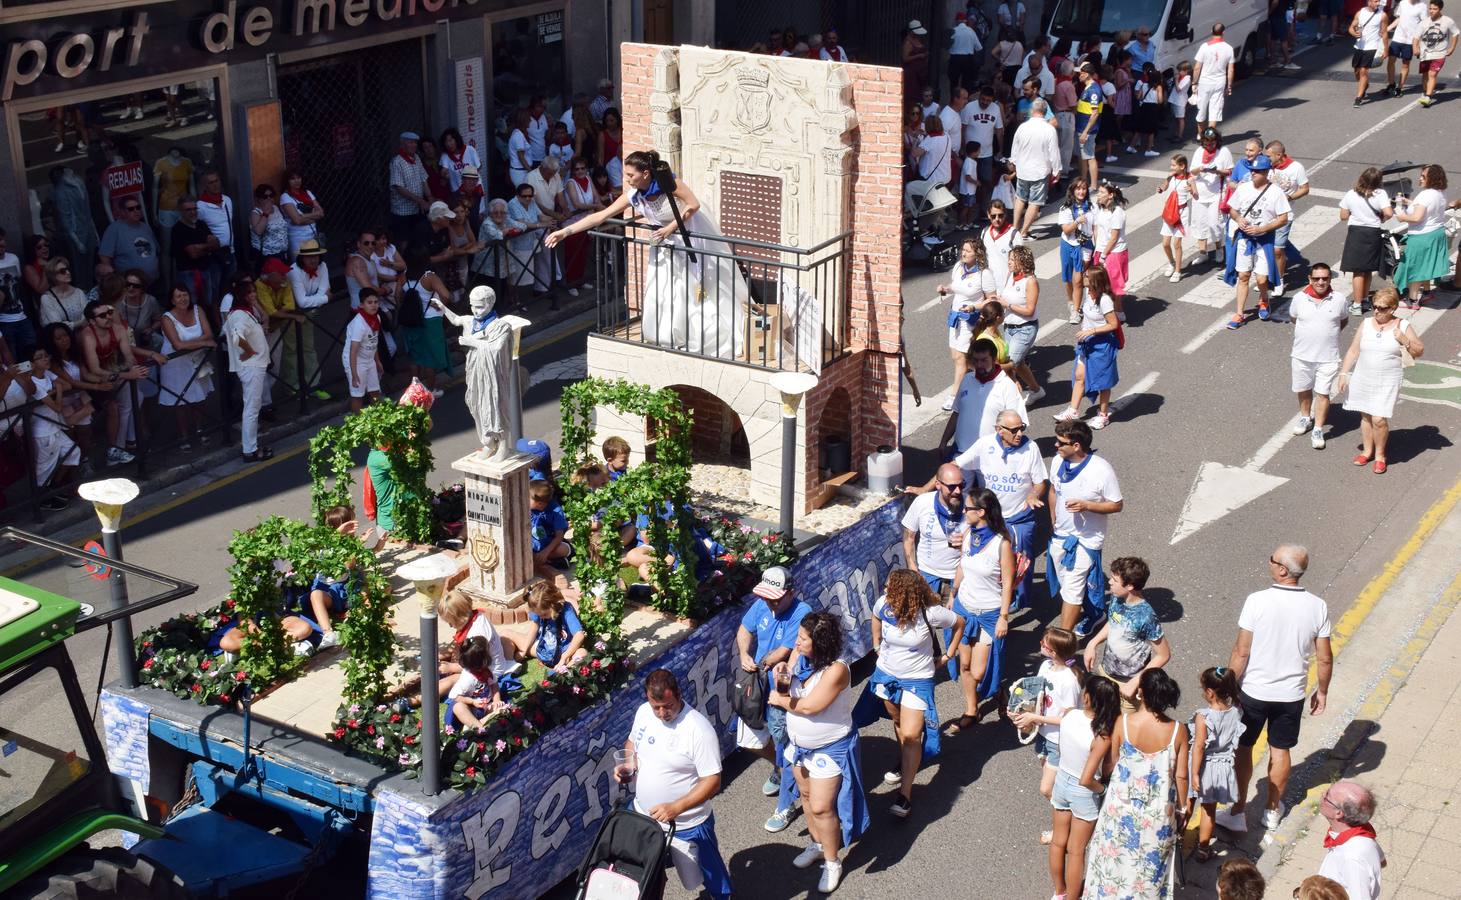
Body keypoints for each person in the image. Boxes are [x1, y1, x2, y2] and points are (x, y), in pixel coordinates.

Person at [545, 149, 747, 361]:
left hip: (689, 234)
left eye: (631, 175)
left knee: (695, 287)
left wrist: (670, 228)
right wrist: (565, 232)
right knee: (668, 288)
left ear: (646, 173)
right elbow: (601, 215)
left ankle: (703, 335)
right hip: (665, 243)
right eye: (626, 174)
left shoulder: (670, 183)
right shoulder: (634, 195)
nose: (627, 179)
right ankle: (674, 334)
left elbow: (693, 205)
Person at [1221, 544, 1333, 833]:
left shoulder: (1257, 601)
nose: (1269, 562)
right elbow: (1324, 657)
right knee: (1280, 750)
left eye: (1272, 559)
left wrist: (1228, 687)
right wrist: (1321, 691)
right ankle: (1272, 811)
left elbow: (1241, 652)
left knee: (1244, 749)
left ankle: (1237, 810)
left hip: (1254, 692)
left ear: (1282, 570)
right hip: (1291, 695)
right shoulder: (1317, 606)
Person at [768, 611, 868, 894]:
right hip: (799, 747)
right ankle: (817, 844)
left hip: (829, 748)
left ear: (821, 643)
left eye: (802, 638)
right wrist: (781, 676)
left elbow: (812, 706)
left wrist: (779, 700)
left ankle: (832, 862)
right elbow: (788, 686)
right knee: (808, 798)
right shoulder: (800, 657)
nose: (796, 643)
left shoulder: (837, 670)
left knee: (823, 807)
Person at [618, 669, 733, 900]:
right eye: (656, 707)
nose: (662, 713)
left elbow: (713, 782)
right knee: (642, 874)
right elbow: (632, 742)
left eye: (667, 706)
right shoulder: (643, 713)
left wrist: (676, 808)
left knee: (709, 874)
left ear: (679, 694)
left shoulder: (698, 730)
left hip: (687, 823)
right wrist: (628, 764)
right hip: (644, 815)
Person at [854, 569, 959, 818]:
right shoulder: (884, 604)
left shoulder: (930, 612)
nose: (886, 593)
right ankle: (905, 762)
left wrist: (947, 655)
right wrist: (877, 643)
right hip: (886, 676)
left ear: (905, 593)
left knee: (912, 734)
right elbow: (875, 616)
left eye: (891, 589)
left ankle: (905, 795)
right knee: (899, 722)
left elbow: (958, 624)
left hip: (917, 680)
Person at [1085, 668, 1190, 898]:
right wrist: (1183, 808)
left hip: (1120, 807)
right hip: (1158, 813)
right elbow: (1181, 776)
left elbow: (1111, 764)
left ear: (1140, 693)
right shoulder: (1178, 731)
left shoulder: (1123, 723)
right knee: (1150, 872)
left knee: (1112, 862)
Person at [735, 565, 812, 833]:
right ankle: (779, 770)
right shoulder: (762, 604)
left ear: (790, 593)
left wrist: (763, 662)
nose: (769, 602)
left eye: (775, 598)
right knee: (750, 741)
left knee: (786, 747)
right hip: (758, 687)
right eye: (766, 596)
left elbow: (785, 652)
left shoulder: (802, 613)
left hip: (782, 691)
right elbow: (744, 630)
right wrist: (745, 654)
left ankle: (787, 803)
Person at [951, 408, 1045, 608]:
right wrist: (928, 488)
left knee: (1022, 563)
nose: (1019, 433)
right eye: (1014, 430)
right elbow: (954, 466)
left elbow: (1040, 483)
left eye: (1022, 428)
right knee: (991, 560)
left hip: (1020, 518)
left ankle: (1020, 600)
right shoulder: (984, 445)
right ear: (999, 430)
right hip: (994, 518)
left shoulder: (1031, 448)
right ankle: (996, 597)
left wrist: (1033, 494)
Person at [1046, 674, 1120, 900]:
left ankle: (1059, 892)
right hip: (1083, 792)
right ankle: (1072, 898)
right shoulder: (1102, 734)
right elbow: (1088, 778)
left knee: (1058, 843)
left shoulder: (1069, 715)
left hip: (1062, 781)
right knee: (1076, 850)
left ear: (1086, 697)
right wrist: (1103, 790)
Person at [1046, 418, 1122, 637]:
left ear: (1076, 445)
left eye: (1061, 442)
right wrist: (1053, 521)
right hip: (1061, 536)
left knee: (1072, 589)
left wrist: (1087, 506)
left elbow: (1117, 504)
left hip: (1086, 539)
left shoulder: (1101, 470)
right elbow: (1053, 490)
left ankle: (1061, 640)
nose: (1056, 446)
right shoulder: (1058, 462)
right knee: (1068, 586)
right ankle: (1095, 613)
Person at [947, 487, 1015, 731]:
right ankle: (971, 710)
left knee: (978, 672)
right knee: (964, 665)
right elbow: (962, 567)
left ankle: (998, 691)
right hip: (965, 609)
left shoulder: (1001, 544)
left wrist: (1004, 618)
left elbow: (1007, 582)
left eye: (968, 508)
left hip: (988, 614)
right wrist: (952, 595)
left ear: (982, 512)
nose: (963, 511)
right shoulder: (967, 534)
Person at [1338, 287, 1424, 473]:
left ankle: (1380, 455)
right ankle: (1367, 451)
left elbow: (1419, 351)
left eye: (1382, 308)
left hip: (1387, 379)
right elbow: (1354, 350)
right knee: (1366, 415)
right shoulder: (1367, 323)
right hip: (1363, 376)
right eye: (1375, 306)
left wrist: (1405, 341)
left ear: (1393, 308)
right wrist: (1343, 373)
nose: (1377, 311)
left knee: (1378, 419)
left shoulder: (1402, 326)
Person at [1083, 556, 1170, 712]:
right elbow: (1113, 622)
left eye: (1114, 580)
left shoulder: (1146, 616)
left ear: (1130, 586)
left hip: (1129, 683)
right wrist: (1093, 643)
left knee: (1124, 731)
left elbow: (1163, 655)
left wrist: (1136, 681)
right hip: (1106, 672)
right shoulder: (1117, 598)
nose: (1109, 582)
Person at [1010, 625, 1082, 812]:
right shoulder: (1045, 666)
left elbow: (1070, 719)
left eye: (1044, 643)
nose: (1040, 644)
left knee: (1047, 789)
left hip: (1059, 741)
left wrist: (1034, 717)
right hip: (1043, 735)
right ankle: (1062, 824)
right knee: (1055, 788)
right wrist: (1019, 710)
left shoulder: (1069, 681)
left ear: (1054, 651)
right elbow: (1037, 696)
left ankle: (1069, 821)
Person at [79, 298, 151, 465]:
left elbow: (129, 357)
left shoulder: (118, 329)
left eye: (109, 312)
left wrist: (134, 370)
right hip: (90, 381)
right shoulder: (88, 336)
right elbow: (94, 369)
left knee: (134, 399)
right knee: (118, 408)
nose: (108, 317)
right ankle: (118, 448)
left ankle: (121, 446)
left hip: (114, 373)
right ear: (92, 321)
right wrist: (127, 374)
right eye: (102, 315)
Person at [1225, 154, 1290, 329]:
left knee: (1261, 279)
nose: (1253, 173)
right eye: (1252, 170)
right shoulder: (1243, 188)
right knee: (1243, 276)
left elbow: (1283, 218)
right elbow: (1232, 210)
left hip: (1264, 240)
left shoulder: (1276, 192)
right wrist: (1239, 219)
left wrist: (1262, 229)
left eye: (1258, 171)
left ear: (1267, 172)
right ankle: (1239, 313)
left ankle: (1264, 299)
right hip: (1244, 239)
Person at [1290, 262, 1349, 451]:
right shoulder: (1299, 298)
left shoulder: (1339, 299)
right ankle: (1305, 417)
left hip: (1328, 357)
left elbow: (1343, 320)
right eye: (1316, 279)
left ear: (1330, 279)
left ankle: (1318, 428)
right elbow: (1294, 318)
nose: (1321, 282)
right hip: (1301, 355)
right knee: (1303, 388)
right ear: (1310, 279)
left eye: (1325, 278)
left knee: (1323, 393)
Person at [1053, 264, 1120, 429]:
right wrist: (1084, 332)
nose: (1083, 276)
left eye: (1086, 275)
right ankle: (1073, 410)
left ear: (1095, 281)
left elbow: (1113, 324)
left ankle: (1103, 416)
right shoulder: (1089, 294)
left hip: (1102, 346)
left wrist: (1092, 331)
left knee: (1103, 382)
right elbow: (1087, 318)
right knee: (1079, 376)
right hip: (1086, 343)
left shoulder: (1104, 300)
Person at [939, 338, 1028, 459]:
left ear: (994, 358)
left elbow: (1018, 426)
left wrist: (1007, 455)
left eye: (984, 360)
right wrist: (944, 442)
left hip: (991, 457)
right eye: (975, 360)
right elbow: (956, 413)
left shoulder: (1007, 386)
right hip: (960, 453)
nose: (979, 365)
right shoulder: (967, 380)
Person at [1190, 666, 1244, 863]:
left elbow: (1198, 747)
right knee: (1209, 810)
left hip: (1203, 765)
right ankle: (1204, 849)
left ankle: (1177, 837)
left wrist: (1194, 773)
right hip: (1221, 767)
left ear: (1210, 692)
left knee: (1188, 803)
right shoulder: (1236, 713)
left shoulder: (1203, 716)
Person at [157, 283, 214, 450]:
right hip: (176, 364)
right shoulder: (167, 318)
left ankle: (199, 428)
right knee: (181, 401)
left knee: (200, 398)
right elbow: (177, 345)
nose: (183, 299)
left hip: (197, 359)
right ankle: (183, 435)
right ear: (172, 300)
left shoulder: (198, 309)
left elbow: (209, 333)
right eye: (178, 296)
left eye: (185, 295)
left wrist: (196, 343)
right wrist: (203, 342)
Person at [24, 346, 81, 509]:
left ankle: (54, 487)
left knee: (73, 452)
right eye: (40, 357)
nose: (45, 359)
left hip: (54, 426)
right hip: (43, 432)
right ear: (32, 363)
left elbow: (67, 385)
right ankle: (41, 500)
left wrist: (56, 389)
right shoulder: (33, 384)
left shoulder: (47, 374)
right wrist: (59, 391)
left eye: (45, 355)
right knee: (44, 468)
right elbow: (57, 406)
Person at [902, 461, 970, 596]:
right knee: (926, 615)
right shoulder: (922, 502)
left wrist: (967, 542)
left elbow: (984, 538)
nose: (957, 491)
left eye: (961, 485)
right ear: (938, 485)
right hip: (927, 575)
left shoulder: (970, 505)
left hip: (959, 575)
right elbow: (908, 537)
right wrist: (913, 569)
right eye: (952, 487)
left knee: (956, 617)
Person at [223, 278, 271, 461]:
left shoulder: (242, 313)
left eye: (253, 291)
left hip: (253, 365)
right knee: (252, 408)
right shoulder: (240, 315)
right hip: (251, 367)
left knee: (252, 407)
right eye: (249, 293)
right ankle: (249, 450)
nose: (253, 295)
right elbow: (237, 337)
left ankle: (250, 447)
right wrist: (249, 350)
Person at [1391, 164, 1450, 308]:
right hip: (1436, 234)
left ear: (1432, 178)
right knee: (1427, 265)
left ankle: (1412, 300)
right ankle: (1427, 292)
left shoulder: (1425, 195)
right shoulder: (1440, 193)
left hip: (1421, 237)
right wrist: (1410, 202)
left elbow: (1417, 217)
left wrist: (1401, 215)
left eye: (1423, 176)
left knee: (1415, 269)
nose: (1420, 178)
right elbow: (1428, 208)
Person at [1317, 780, 1385, 900]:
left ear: (1338, 813)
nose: (1322, 794)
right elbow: (1382, 861)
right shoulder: (1363, 833)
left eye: (1327, 796)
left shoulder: (1352, 858)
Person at [1339, 167, 1393, 315]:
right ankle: (1364, 299)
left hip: (1356, 233)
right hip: (1373, 232)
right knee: (1368, 269)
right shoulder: (1380, 193)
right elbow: (1389, 213)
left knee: (1358, 271)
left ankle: (1356, 305)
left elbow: (1343, 216)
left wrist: (1353, 212)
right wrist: (1381, 217)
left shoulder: (1351, 194)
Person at [399, 246, 453, 395]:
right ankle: (430, 391)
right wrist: (439, 306)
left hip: (410, 321)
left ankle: (415, 390)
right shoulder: (430, 277)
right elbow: (446, 296)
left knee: (414, 357)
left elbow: (397, 297)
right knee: (429, 358)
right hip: (430, 321)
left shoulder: (403, 276)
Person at [1009, 99, 1061, 242]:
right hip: (1040, 170)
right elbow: (1054, 152)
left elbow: (1015, 147)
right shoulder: (1049, 129)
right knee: (1035, 202)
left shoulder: (1022, 127)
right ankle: (1024, 232)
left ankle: (1015, 227)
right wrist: (1057, 170)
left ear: (1032, 111)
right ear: (1045, 112)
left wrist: (1013, 162)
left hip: (1023, 169)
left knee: (1020, 198)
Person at [1265, 141, 1310, 296]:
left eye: (1269, 156)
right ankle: (1266, 277)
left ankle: (1279, 281)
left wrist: (1289, 197)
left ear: (1279, 155)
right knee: (1266, 247)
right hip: (1266, 213)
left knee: (1278, 249)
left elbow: (1305, 189)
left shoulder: (1296, 168)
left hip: (1285, 214)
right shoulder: (1267, 166)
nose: (1267, 159)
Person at [1190, 128, 1233, 266]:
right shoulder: (1199, 151)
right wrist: (1201, 168)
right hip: (1199, 195)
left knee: (1214, 224)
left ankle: (1218, 248)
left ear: (1217, 141)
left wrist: (1217, 171)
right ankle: (1203, 253)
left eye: (1212, 142)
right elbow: (1192, 171)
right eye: (1206, 142)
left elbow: (1230, 171)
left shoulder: (1224, 152)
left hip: (1216, 194)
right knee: (1199, 223)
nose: (1209, 145)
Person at [97, 198, 160, 286]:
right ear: (122, 212)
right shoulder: (114, 229)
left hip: (152, 282)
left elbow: (156, 250)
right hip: (130, 285)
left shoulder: (146, 227)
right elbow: (104, 256)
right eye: (131, 209)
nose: (136, 211)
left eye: (138, 207)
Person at [1058, 178, 1095, 325]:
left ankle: (1076, 311)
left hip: (1085, 245)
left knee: (1078, 280)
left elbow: (1095, 226)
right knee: (1068, 279)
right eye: (1078, 188)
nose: (1081, 191)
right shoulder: (1065, 208)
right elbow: (1066, 229)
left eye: (1084, 188)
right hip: (1068, 244)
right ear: (1073, 190)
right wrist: (1077, 222)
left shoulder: (1091, 207)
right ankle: (1072, 301)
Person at [524, 581, 586, 668]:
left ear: (553, 605)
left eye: (544, 614)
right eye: (539, 615)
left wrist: (564, 657)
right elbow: (534, 628)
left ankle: (563, 670)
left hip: (563, 652)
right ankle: (510, 666)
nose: (542, 617)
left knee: (582, 653)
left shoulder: (566, 610)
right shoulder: (538, 608)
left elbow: (579, 635)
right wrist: (524, 651)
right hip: (544, 649)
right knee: (507, 633)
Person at [195, 170, 235, 300]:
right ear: (205, 186)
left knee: (230, 287)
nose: (215, 185)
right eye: (211, 182)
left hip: (229, 252)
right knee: (214, 291)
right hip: (213, 256)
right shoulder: (200, 207)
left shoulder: (227, 200)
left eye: (216, 181)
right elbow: (198, 229)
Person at [962, 86, 1004, 205]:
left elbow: (999, 130)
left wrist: (1000, 149)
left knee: (986, 182)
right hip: (970, 154)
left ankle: (983, 208)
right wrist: (962, 147)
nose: (985, 102)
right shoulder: (969, 107)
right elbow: (962, 128)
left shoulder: (995, 108)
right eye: (983, 99)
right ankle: (968, 209)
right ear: (979, 96)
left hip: (987, 153)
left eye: (988, 100)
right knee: (968, 183)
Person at [344, 287, 384, 411]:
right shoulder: (359, 324)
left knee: (375, 391)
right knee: (358, 396)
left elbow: (374, 341)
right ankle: (357, 424)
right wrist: (354, 374)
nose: (373, 306)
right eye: (369, 302)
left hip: (369, 359)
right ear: (362, 305)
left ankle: (377, 420)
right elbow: (353, 351)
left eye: (376, 302)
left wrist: (377, 361)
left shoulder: (377, 318)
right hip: (356, 361)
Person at [1191, 24, 1236, 132]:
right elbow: (1230, 70)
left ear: (1211, 31)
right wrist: (1229, 86)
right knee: (1214, 112)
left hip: (1205, 82)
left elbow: (1197, 68)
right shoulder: (1229, 48)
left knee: (1201, 111)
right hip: (1220, 82)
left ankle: (1201, 136)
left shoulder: (1205, 47)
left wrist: (1194, 82)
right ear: (1223, 32)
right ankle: (1210, 138)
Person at [1414, 1, 1459, 106]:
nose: (1431, 11)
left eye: (1434, 9)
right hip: (1425, 53)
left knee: (1432, 74)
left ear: (1440, 9)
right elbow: (1416, 37)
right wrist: (1415, 48)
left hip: (1440, 53)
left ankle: (1428, 96)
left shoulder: (1448, 21)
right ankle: (1425, 92)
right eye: (1430, 9)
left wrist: (1452, 48)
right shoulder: (1424, 23)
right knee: (1425, 74)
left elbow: (1456, 33)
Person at [388, 131, 432, 238]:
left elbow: (424, 179)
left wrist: (430, 198)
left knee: (419, 238)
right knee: (405, 240)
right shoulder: (397, 162)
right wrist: (421, 201)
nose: (414, 145)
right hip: (403, 211)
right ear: (402, 144)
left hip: (417, 209)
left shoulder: (416, 158)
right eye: (410, 143)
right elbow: (399, 188)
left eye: (415, 143)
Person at [1159, 154, 1193, 283]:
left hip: (1181, 213)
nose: (1171, 167)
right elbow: (1165, 186)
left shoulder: (1190, 179)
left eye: (1173, 165)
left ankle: (1178, 270)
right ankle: (1172, 262)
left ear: (1182, 166)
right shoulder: (1170, 176)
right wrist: (1161, 189)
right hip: (1169, 212)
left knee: (1177, 244)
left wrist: (1192, 191)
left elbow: (1196, 196)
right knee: (1165, 243)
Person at [528, 478, 571, 578]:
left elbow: (559, 536)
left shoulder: (555, 511)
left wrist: (545, 552)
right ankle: (551, 561)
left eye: (528, 498)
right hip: (532, 546)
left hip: (549, 546)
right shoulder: (527, 507)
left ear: (539, 504)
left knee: (564, 549)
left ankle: (544, 559)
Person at [1350, 0, 1390, 105]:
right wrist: (1354, 33)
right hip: (1359, 46)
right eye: (1376, 1)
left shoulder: (1382, 15)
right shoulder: (1360, 12)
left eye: (1379, 1)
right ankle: (1365, 85)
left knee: (1364, 70)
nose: (1378, 3)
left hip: (1372, 46)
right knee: (1356, 71)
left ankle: (1358, 97)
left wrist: (1386, 49)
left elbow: (1385, 33)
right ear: (1369, 2)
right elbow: (1351, 27)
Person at [1387, 0, 1431, 95]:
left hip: (1410, 41)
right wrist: (1387, 29)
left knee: (1405, 64)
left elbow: (1424, 25)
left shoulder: (1422, 6)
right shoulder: (1403, 3)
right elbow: (1399, 19)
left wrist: (1419, 42)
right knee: (1391, 61)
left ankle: (1399, 88)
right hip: (1397, 38)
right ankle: (1391, 84)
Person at [279, 170, 324, 258]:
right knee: (298, 265)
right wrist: (314, 217)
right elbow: (297, 220)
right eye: (292, 179)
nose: (297, 181)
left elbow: (321, 213)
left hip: (313, 235)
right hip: (297, 238)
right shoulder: (285, 197)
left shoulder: (307, 193)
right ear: (287, 181)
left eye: (298, 178)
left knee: (314, 262)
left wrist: (303, 216)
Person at [1073, 63, 1104, 186]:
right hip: (1082, 128)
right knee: (1084, 156)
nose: (1078, 75)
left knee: (1090, 157)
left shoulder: (1094, 90)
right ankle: (1084, 180)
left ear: (1086, 74)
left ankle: (1093, 185)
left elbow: (1095, 113)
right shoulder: (1088, 88)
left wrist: (1085, 132)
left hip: (1087, 130)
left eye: (1080, 73)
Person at [38, 257, 87, 329]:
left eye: (68, 269)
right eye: (62, 271)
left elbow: (87, 316)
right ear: (53, 275)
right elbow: (58, 326)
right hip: (62, 338)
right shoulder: (47, 298)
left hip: (81, 333)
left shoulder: (79, 292)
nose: (68, 273)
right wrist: (79, 323)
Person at [248, 184, 290, 266]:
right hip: (268, 256)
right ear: (258, 199)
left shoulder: (276, 208)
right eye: (265, 196)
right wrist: (266, 213)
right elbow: (259, 231)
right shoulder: (255, 213)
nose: (269, 199)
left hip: (283, 253)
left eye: (271, 196)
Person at [1129, 63, 1164, 157]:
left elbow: (1139, 97)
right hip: (1153, 108)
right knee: (1151, 130)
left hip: (1144, 107)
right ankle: (1148, 150)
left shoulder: (1144, 85)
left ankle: (1131, 146)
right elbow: (1160, 100)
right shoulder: (1158, 87)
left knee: (1139, 128)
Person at [1052, 61, 1078, 180]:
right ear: (1071, 72)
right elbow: (1073, 104)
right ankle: (1063, 170)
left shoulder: (1056, 82)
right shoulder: (1068, 85)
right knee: (1066, 146)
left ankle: (1056, 168)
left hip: (1056, 114)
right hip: (1067, 115)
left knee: (1057, 144)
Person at [948, 13, 983, 91]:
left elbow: (948, 47)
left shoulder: (953, 31)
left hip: (955, 59)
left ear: (957, 21)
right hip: (968, 59)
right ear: (965, 21)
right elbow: (979, 48)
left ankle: (953, 99)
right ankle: (965, 99)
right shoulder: (971, 31)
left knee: (953, 82)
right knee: (966, 82)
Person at [1168, 61, 1192, 143]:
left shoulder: (1187, 79)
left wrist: (1176, 79)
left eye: (1180, 71)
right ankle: (1176, 134)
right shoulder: (1182, 77)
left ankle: (1180, 136)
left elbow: (1178, 89)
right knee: (1176, 118)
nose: (1178, 72)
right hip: (1174, 100)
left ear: (1186, 71)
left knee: (1180, 119)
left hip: (1180, 101)